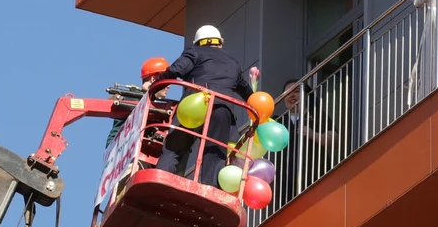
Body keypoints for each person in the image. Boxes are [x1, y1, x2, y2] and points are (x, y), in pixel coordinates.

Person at [154, 25, 253, 188]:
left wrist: (155, 88)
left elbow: (175, 69)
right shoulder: (232, 62)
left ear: (199, 42)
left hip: (195, 104)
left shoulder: (194, 51)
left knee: (175, 146)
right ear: (220, 43)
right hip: (223, 108)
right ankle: (209, 190)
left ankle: (161, 182)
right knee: (214, 153)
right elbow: (246, 90)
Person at [275, 79, 336, 201]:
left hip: (315, 177)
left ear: (305, 95)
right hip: (284, 186)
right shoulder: (278, 121)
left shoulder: (318, 116)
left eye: (296, 91)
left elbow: (335, 140)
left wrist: (314, 135)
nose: (292, 95)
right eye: (287, 93)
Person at [105, 57, 170, 148]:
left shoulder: (146, 99)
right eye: (166, 80)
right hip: (122, 150)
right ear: (153, 79)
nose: (168, 86)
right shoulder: (136, 98)